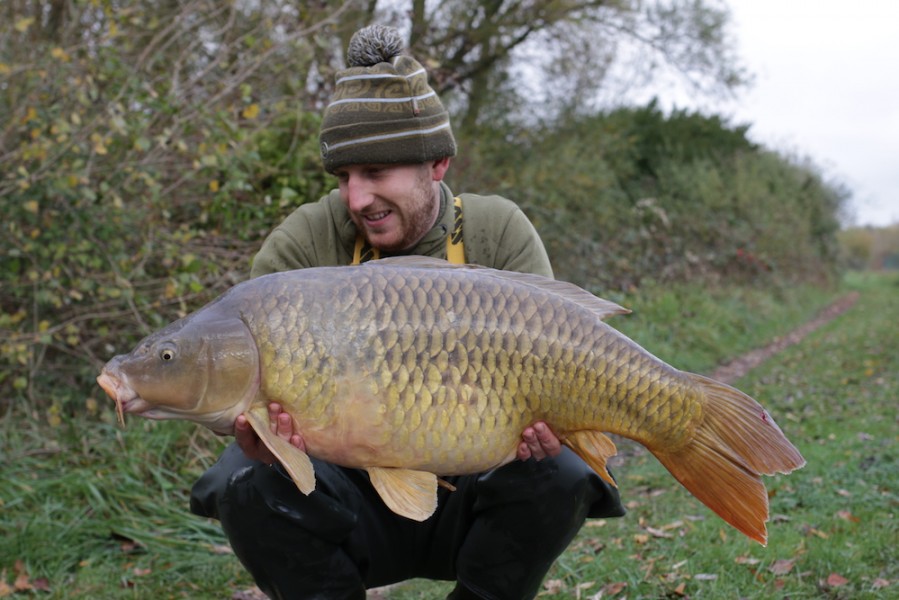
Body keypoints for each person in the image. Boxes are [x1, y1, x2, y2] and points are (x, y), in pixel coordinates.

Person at [190, 24, 625, 600]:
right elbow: (250, 387)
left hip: (476, 497)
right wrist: (265, 441)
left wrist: (553, 436)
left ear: (437, 164)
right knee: (241, 479)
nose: (356, 199)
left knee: (563, 472)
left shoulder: (496, 231)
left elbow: (557, 368)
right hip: (346, 503)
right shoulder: (302, 243)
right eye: (344, 177)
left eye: (375, 173)